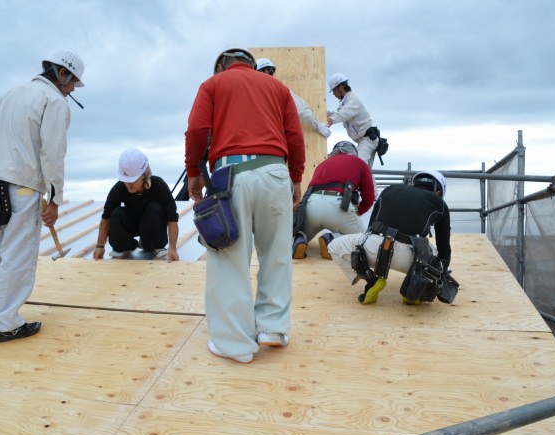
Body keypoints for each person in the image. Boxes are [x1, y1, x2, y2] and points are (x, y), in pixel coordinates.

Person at [185, 47, 305, 363]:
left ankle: (235, 344)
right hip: (275, 171)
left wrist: (195, 172)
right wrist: (295, 177)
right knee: (277, 253)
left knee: (230, 257)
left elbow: (197, 130)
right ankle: (272, 329)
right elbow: (294, 136)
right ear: (251, 65)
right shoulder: (278, 88)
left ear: (221, 67)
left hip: (231, 174)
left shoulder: (213, 85)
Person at [0, 49, 85, 342]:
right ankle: (6, 322)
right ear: (63, 74)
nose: (73, 89)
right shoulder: (54, 102)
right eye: (73, 82)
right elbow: (53, 154)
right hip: (22, 188)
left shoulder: (10, 94)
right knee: (18, 258)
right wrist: (55, 199)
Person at [327, 171, 452, 305]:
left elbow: (370, 227)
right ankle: (415, 289)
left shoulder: (390, 189)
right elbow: (443, 246)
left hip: (376, 250)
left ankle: (371, 279)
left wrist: (364, 250)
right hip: (413, 259)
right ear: (438, 192)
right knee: (437, 263)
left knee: (333, 247)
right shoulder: (440, 204)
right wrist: (441, 270)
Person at [93, 148, 180, 262]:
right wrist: (100, 246)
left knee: (155, 208)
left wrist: (172, 248)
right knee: (116, 213)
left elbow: (172, 218)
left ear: (144, 175)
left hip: (152, 225)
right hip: (132, 224)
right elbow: (106, 218)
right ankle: (124, 246)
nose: (128, 184)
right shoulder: (119, 188)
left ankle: (152, 245)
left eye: (133, 180)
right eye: (125, 180)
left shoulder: (159, 186)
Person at [292, 140, 375, 260]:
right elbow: (369, 197)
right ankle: (331, 239)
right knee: (362, 240)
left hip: (311, 205)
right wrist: (357, 212)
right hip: (337, 206)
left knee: (301, 232)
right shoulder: (359, 163)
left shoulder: (323, 164)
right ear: (353, 152)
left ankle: (299, 239)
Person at [256, 58, 331, 139]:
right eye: (271, 71)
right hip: (273, 138)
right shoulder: (279, 89)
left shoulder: (250, 92)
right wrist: (319, 126)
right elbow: (301, 110)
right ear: (267, 71)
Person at [326, 73, 379, 168]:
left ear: (341, 88)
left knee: (360, 165)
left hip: (368, 140)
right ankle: (370, 183)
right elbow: (341, 113)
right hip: (364, 140)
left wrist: (331, 120)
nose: (334, 94)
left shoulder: (353, 101)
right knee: (365, 170)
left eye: (334, 91)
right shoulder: (345, 103)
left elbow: (344, 113)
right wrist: (325, 113)